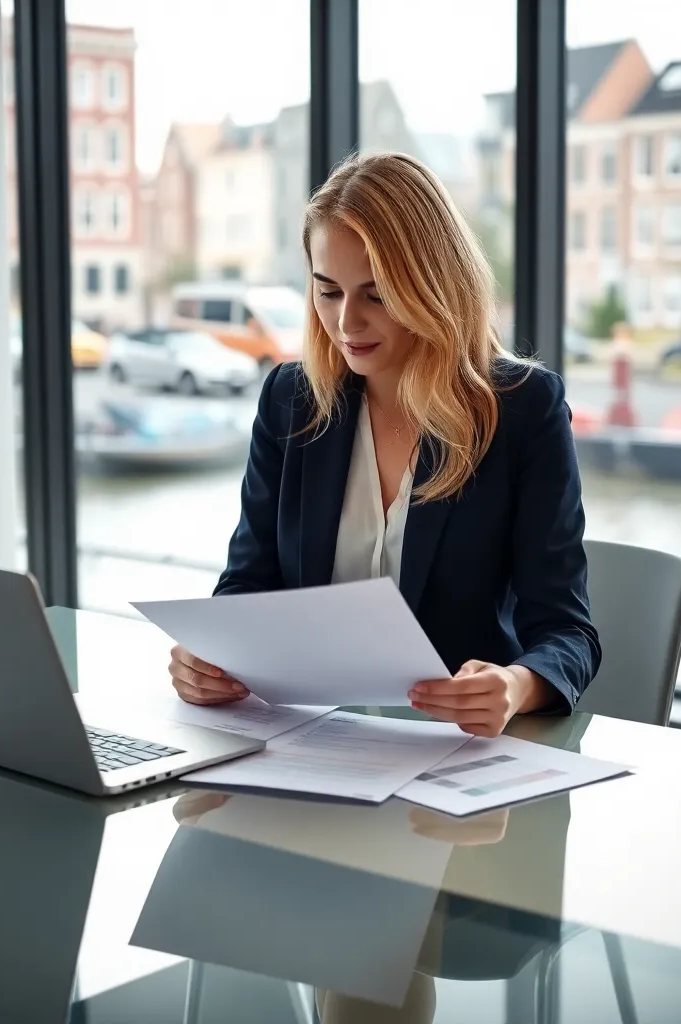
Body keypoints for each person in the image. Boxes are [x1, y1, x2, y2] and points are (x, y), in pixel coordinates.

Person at [168, 152, 601, 737]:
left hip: (455, 756)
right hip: (311, 743)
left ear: (432, 287)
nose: (346, 323)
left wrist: (516, 685)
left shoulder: (523, 409)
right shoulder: (290, 400)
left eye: (376, 294)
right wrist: (212, 655)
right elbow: (249, 582)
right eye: (328, 291)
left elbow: (568, 633)